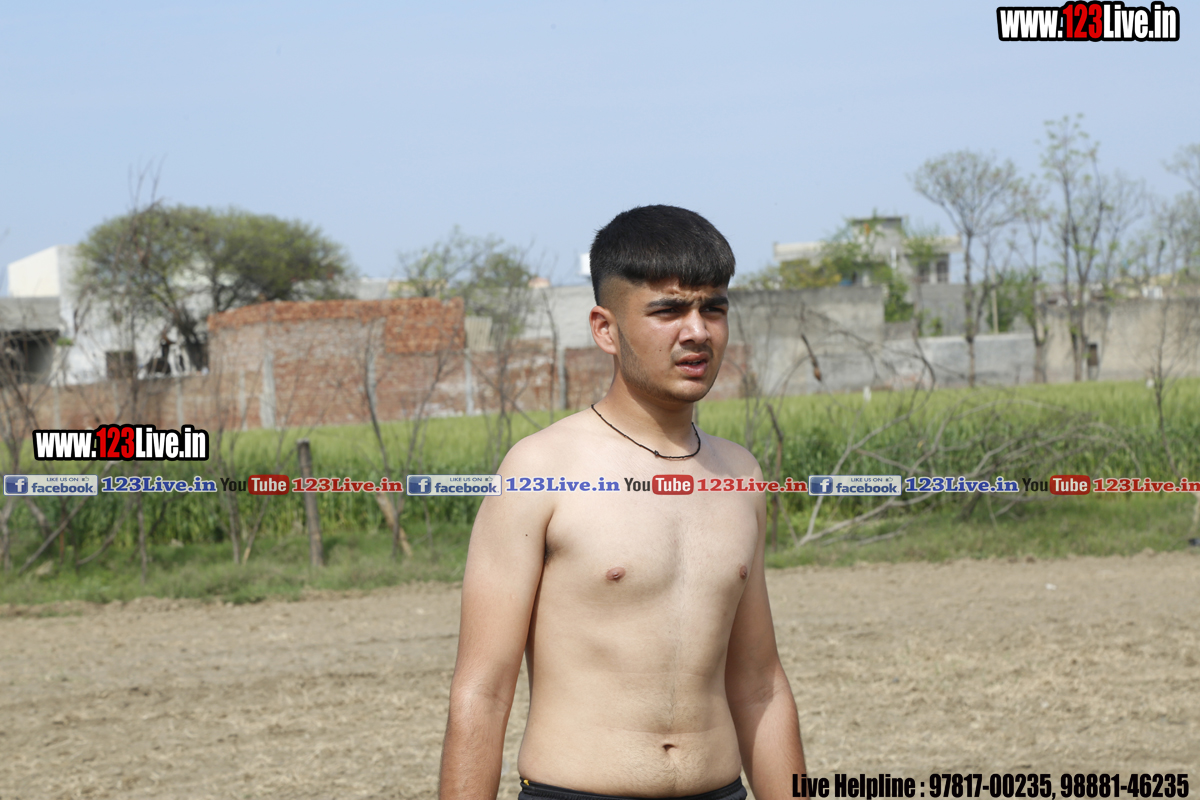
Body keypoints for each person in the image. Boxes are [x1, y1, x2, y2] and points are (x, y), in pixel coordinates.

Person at [438, 205, 806, 800]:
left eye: (713, 308)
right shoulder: (540, 469)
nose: (697, 331)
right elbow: (483, 691)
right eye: (668, 310)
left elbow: (760, 686)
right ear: (605, 329)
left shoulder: (740, 474)